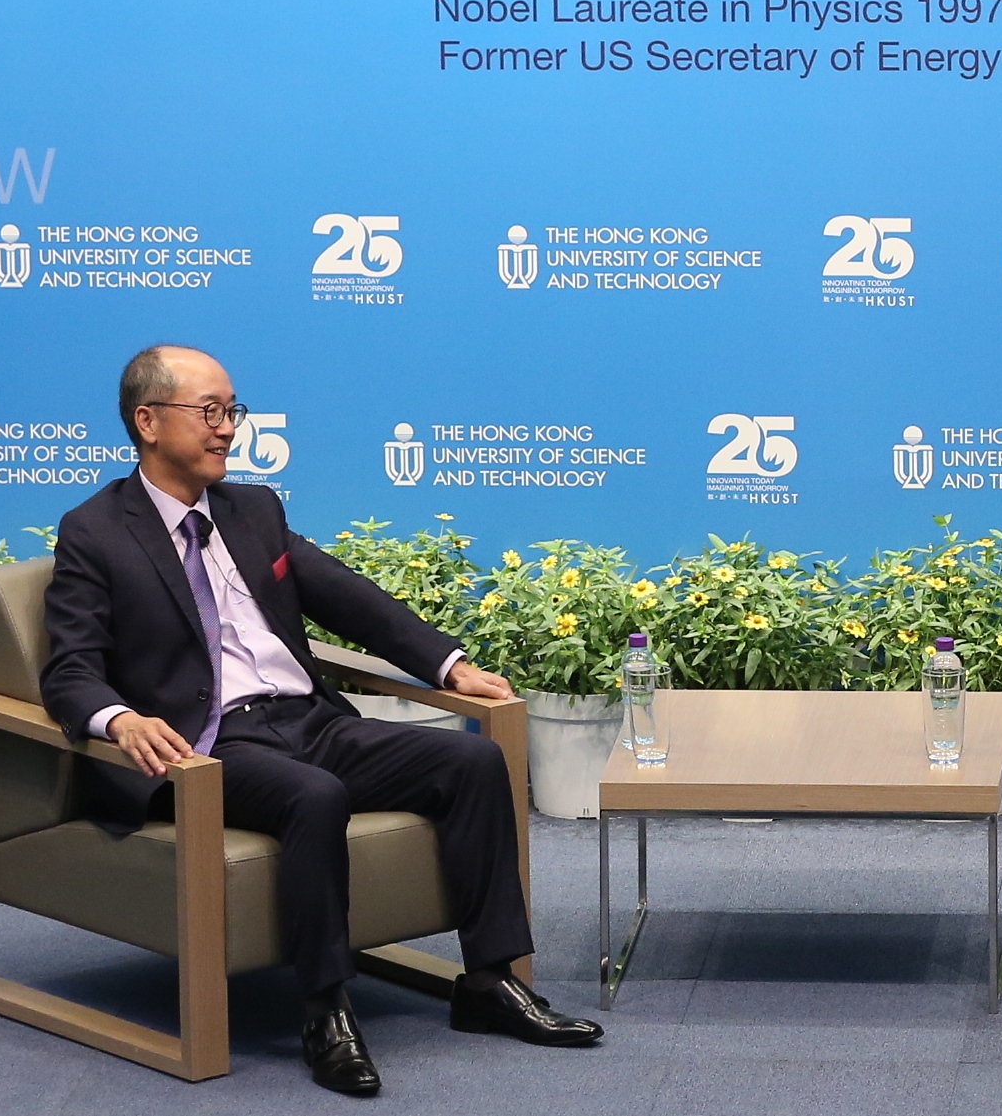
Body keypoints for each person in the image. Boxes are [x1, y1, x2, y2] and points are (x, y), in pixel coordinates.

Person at [41, 345, 603, 1096]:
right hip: (207, 744)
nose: (227, 428)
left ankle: (489, 981)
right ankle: (326, 1010)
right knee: (314, 794)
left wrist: (447, 664)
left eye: (231, 411)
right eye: (209, 412)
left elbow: (346, 596)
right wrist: (119, 721)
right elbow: (69, 667)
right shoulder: (96, 530)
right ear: (147, 421)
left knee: (471, 761)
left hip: (308, 719)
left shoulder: (253, 509)